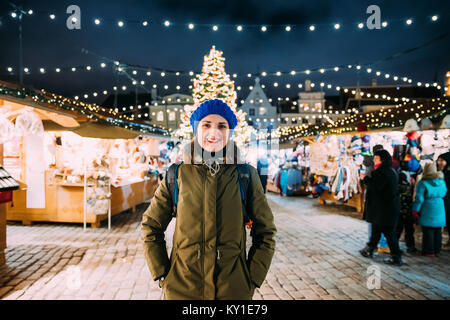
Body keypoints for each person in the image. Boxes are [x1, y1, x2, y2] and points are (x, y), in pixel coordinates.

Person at [141, 99, 277, 300]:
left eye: (222, 126)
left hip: (233, 290)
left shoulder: (246, 175)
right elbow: (151, 226)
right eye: (206, 125)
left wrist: (252, 278)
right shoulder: (176, 175)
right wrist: (162, 273)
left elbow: (265, 232)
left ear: (229, 132)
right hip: (183, 288)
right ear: (197, 130)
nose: (214, 131)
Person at [359, 150, 402, 266]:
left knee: (389, 233)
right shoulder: (388, 170)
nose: (374, 160)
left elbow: (377, 186)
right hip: (384, 208)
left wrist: (365, 179)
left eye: (376, 158)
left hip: (384, 209)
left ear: (382, 159)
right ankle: (369, 250)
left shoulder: (383, 172)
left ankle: (396, 257)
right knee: (377, 231)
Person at [412, 162, 447, 257]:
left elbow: (419, 198)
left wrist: (415, 209)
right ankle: (437, 250)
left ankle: (429, 251)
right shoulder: (442, 181)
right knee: (437, 230)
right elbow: (444, 193)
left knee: (428, 230)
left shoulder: (423, 183)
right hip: (439, 206)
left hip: (428, 207)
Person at [395, 170, 417, 253]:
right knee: (409, 231)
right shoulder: (408, 187)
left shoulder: (396, 188)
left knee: (397, 231)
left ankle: (395, 247)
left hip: (399, 213)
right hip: (408, 212)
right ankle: (411, 247)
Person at [436, 152, 450, 248]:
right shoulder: (442, 172)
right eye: (439, 160)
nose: (439, 162)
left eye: (442, 160)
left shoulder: (448, 173)